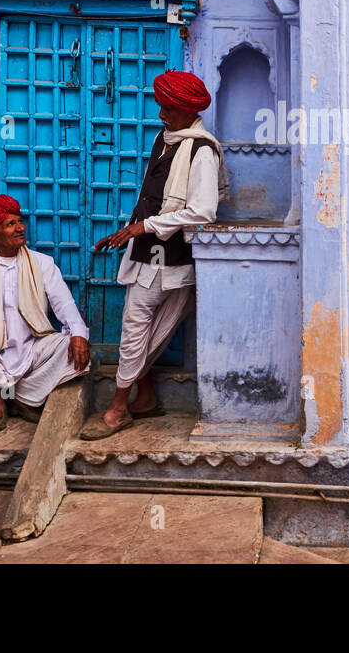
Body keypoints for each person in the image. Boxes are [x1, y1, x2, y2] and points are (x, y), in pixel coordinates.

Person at [81, 70, 228, 439]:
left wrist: (142, 228)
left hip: (175, 260)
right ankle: (144, 397)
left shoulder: (201, 149)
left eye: (169, 108)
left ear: (187, 109)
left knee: (140, 331)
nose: (162, 113)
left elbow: (203, 210)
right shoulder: (164, 140)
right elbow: (153, 199)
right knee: (140, 328)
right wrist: (128, 231)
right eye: (161, 106)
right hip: (147, 254)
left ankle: (118, 408)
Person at [0, 194, 91, 429]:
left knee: (75, 348)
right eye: (10, 224)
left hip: (32, 348)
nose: (20, 228)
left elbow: (64, 303)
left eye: (19, 221)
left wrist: (77, 333)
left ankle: (23, 400)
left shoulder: (42, 262)